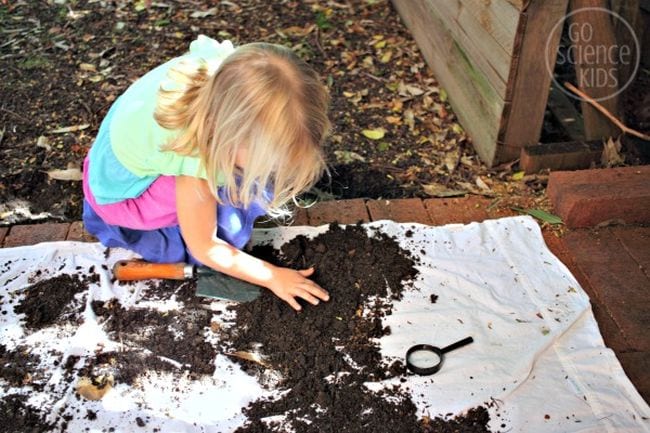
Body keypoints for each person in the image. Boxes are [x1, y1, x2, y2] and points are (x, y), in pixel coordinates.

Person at [82, 35, 331, 311]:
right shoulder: (195, 160)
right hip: (121, 197)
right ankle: (170, 231)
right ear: (228, 136)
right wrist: (272, 276)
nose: (274, 169)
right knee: (224, 215)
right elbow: (206, 247)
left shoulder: (226, 74)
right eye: (267, 161)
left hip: (112, 157)